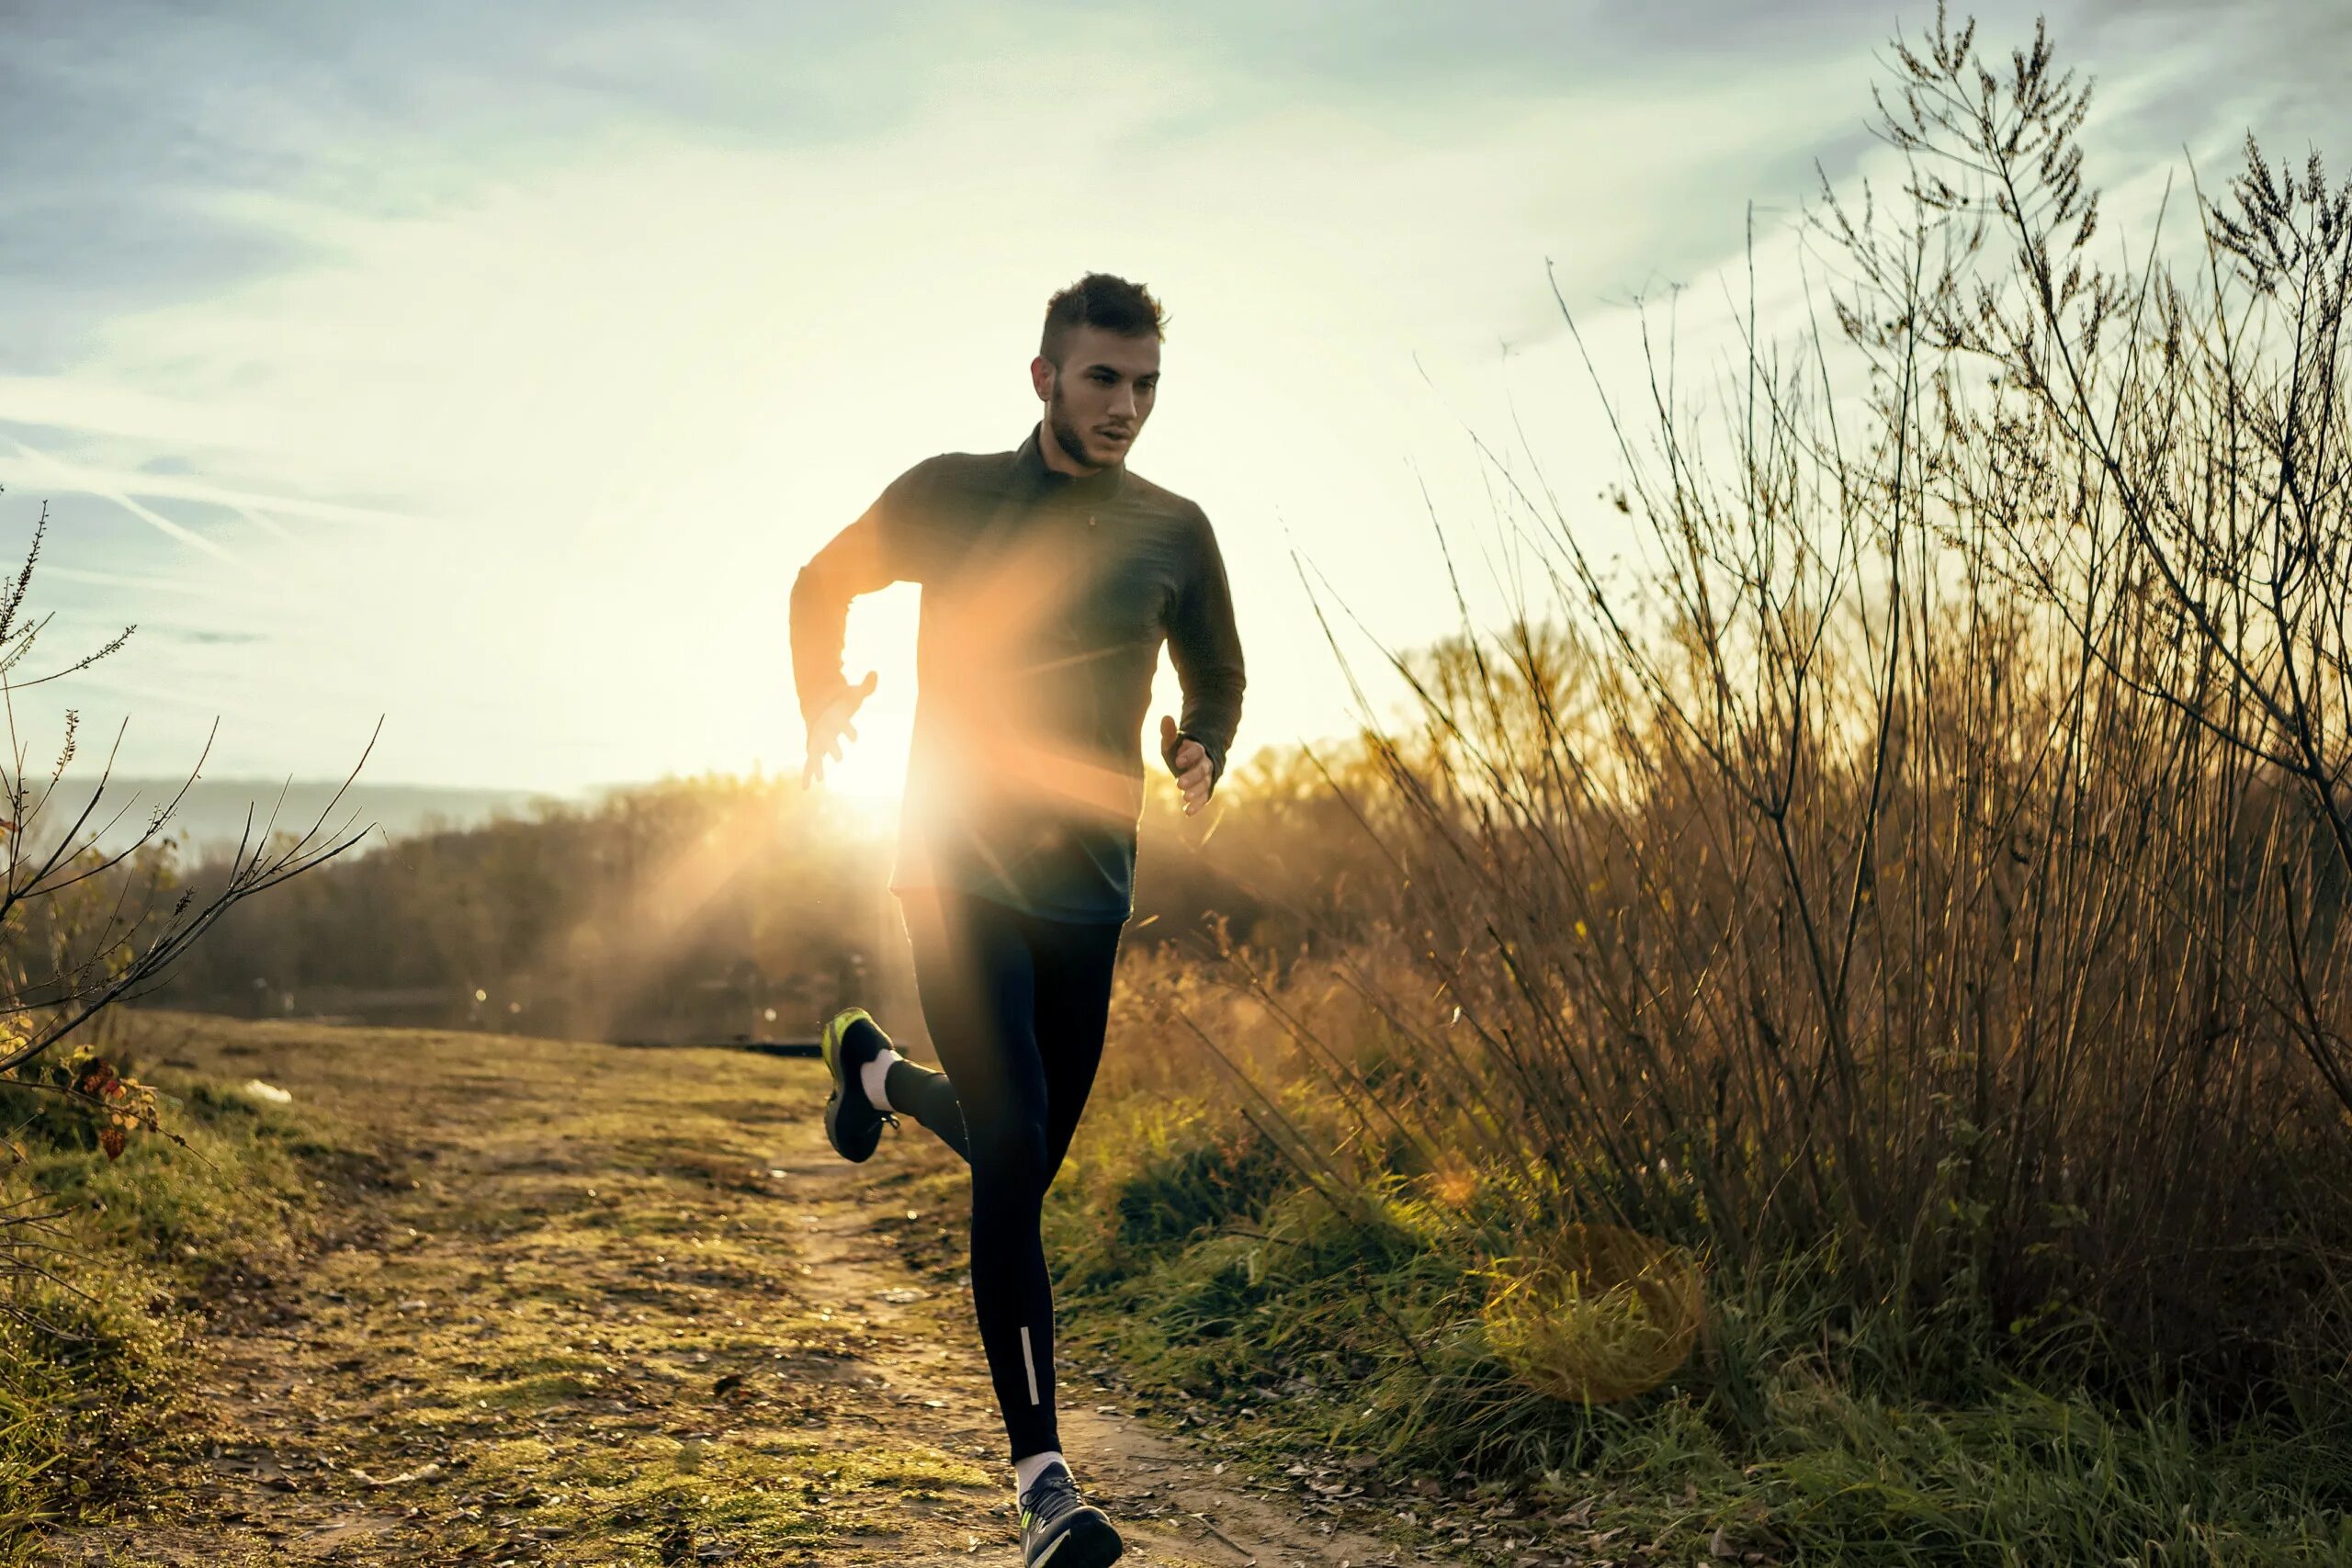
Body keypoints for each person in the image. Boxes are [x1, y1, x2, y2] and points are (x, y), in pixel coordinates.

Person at [788, 272, 1245, 1568]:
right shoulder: (953, 493)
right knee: (1020, 1140)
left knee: (1018, 1151)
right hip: (955, 861)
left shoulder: (1175, 530)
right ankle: (1045, 1484)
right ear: (1044, 376)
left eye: (1147, 383)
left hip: (1092, 885)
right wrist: (824, 697)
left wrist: (1202, 745)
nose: (1128, 406)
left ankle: (870, 1070)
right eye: (1104, 378)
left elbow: (1218, 668)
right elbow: (819, 581)